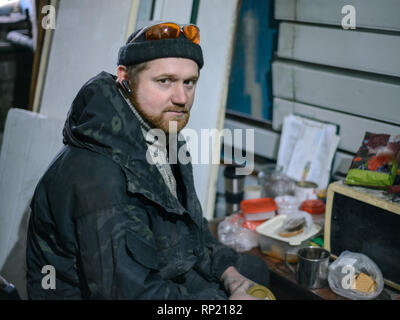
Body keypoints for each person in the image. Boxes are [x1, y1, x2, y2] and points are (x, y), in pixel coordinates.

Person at [26, 22, 270, 299]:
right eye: (164, 81)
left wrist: (230, 274)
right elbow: (127, 294)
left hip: (153, 268)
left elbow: (187, 229)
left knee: (254, 272)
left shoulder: (162, 136)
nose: (181, 98)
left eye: (189, 82)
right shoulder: (97, 175)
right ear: (125, 78)